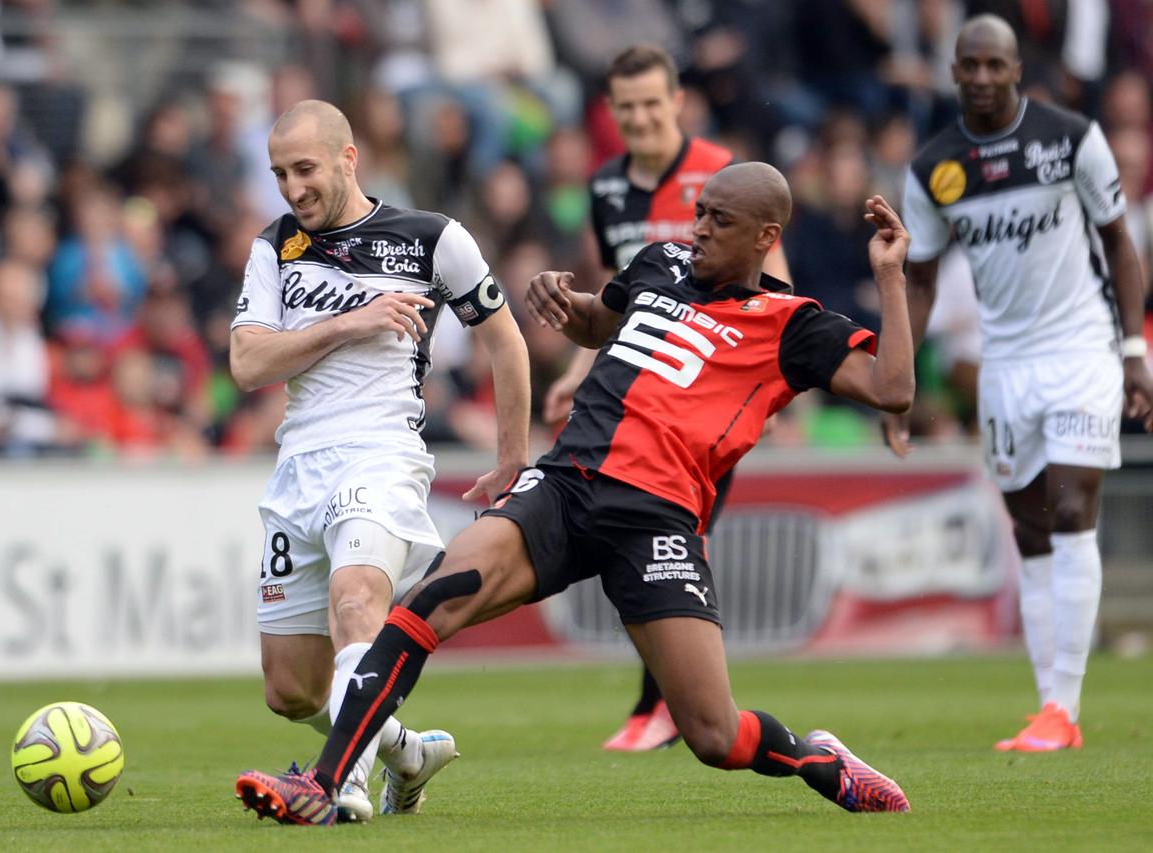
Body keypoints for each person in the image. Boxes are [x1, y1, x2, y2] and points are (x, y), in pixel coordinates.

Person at [235, 163, 916, 825]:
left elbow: (893, 389)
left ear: (766, 237)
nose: (699, 228)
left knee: (712, 733)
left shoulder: (791, 324)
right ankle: (326, 782)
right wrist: (566, 305)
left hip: (655, 521)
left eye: (720, 220)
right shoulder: (660, 263)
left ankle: (817, 757)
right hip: (564, 488)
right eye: (700, 211)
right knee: (423, 607)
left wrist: (888, 276)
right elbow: (603, 322)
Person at [229, 100, 530, 821]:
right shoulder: (276, 247)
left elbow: (505, 343)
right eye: (279, 173)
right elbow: (247, 362)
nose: (292, 187)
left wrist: (513, 457)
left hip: (382, 454)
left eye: (305, 169)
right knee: (290, 691)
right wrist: (352, 323)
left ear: (347, 157)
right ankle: (407, 752)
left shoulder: (432, 239)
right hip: (298, 463)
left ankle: (342, 783)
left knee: (356, 602)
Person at [889, 15, 1153, 752]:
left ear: (1014, 71)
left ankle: (1063, 708)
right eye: (967, 66)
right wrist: (897, 383)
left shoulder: (1070, 138)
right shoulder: (934, 169)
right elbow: (921, 281)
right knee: (1032, 527)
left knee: (1072, 507)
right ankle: (1049, 708)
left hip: (1080, 349)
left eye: (992, 65)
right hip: (1005, 365)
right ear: (953, 73)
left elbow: (1118, 243)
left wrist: (1133, 348)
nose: (979, 77)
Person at [544, 43, 791, 752]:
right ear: (612, 114)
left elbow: (774, 279)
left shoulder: (721, 173)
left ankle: (663, 702)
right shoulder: (606, 187)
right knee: (649, 533)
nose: (642, 118)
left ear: (677, 101)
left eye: (654, 103)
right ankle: (663, 701)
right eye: (627, 107)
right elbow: (617, 298)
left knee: (674, 535)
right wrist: (576, 368)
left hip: (710, 391)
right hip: (637, 391)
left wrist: (773, 385)